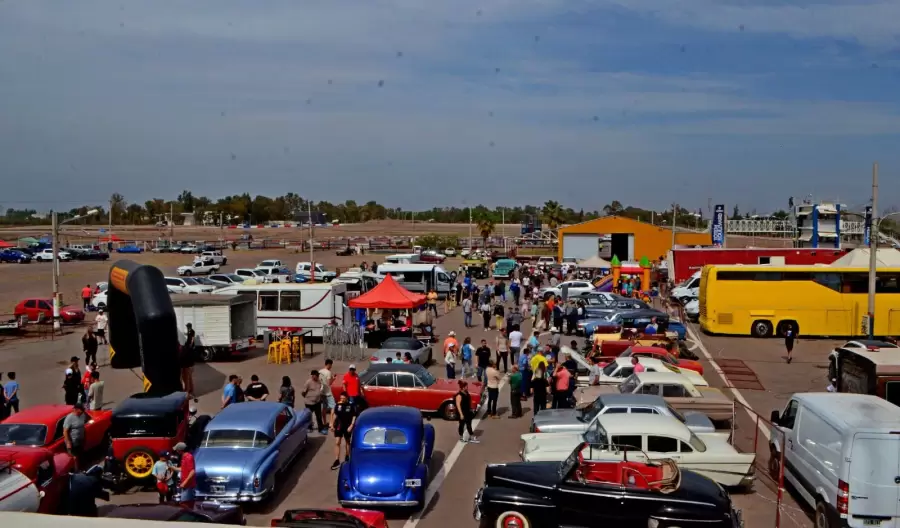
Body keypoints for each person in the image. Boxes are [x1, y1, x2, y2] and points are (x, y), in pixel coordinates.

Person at [330, 392, 357, 470]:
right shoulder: (338, 405)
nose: (341, 400)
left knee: (347, 441)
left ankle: (347, 456)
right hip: (339, 426)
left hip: (347, 426)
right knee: (337, 442)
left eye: (343, 398)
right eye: (341, 398)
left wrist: (351, 425)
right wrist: (332, 424)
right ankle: (336, 460)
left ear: (347, 398)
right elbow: (335, 414)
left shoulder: (351, 406)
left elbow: (354, 415)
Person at [63, 403, 88, 469]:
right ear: (75, 410)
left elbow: (84, 425)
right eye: (80, 410)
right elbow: (65, 431)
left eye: (82, 410)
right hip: (72, 442)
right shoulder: (69, 418)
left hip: (80, 440)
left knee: (81, 455)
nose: (82, 412)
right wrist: (68, 442)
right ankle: (76, 472)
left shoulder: (82, 415)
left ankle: (82, 469)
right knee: (74, 458)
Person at [172, 442, 196, 507]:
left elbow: (192, 471)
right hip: (185, 485)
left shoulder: (188, 457)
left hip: (188, 486)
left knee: (185, 505)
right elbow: (183, 469)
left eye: (177, 450)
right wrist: (172, 467)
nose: (176, 451)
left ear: (180, 450)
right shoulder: (184, 457)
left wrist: (184, 482)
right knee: (184, 503)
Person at [181, 323, 197, 402]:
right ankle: (190, 390)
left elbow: (192, 338)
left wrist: (190, 344)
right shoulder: (189, 331)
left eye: (188, 326)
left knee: (187, 378)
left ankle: (188, 391)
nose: (187, 327)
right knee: (189, 377)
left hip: (188, 364)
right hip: (189, 363)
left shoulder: (192, 331)